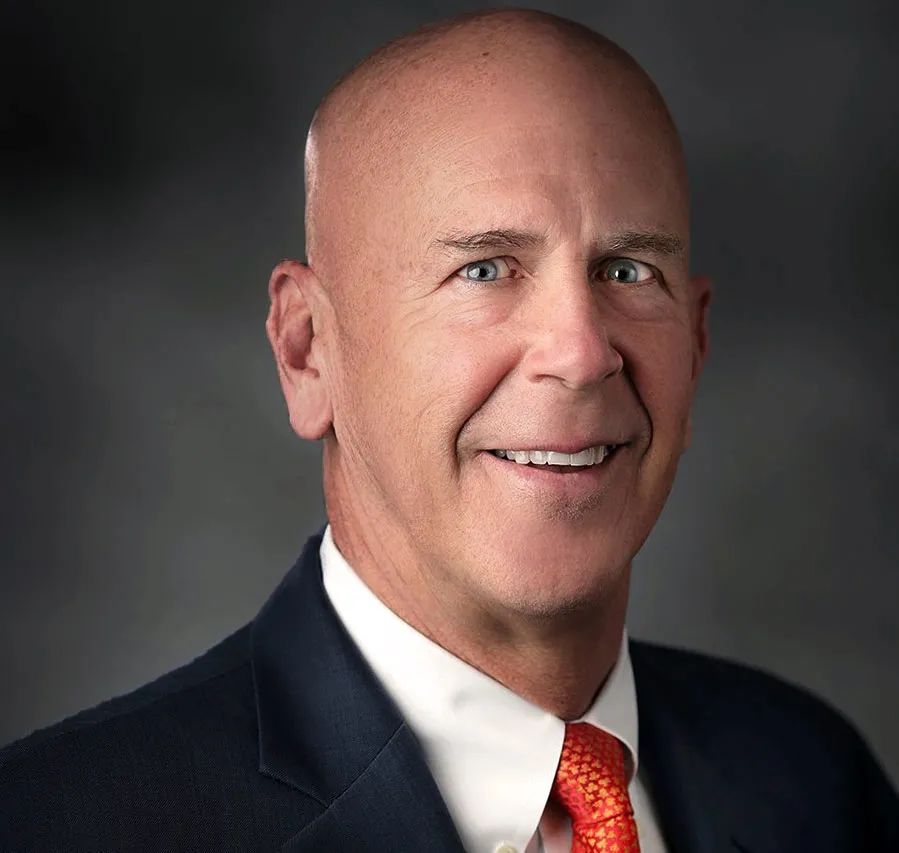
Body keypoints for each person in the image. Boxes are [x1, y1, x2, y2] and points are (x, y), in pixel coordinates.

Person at [1, 9, 896, 852]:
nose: (581, 354)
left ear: (694, 349)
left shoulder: (814, 781)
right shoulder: (58, 824)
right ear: (308, 351)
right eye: (484, 269)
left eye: (628, 270)